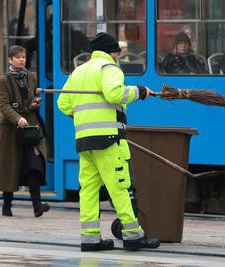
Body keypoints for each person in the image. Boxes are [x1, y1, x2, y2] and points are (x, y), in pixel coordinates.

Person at [57, 32, 160, 252]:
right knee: (120, 186)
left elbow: (63, 104)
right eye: (118, 53)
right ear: (113, 52)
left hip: (84, 140)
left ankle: (90, 238)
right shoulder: (109, 68)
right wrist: (139, 91)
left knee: (89, 189)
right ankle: (133, 235)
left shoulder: (79, 71)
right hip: (109, 138)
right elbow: (114, 94)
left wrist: (86, 118)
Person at [0, 45, 50, 217]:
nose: (22, 60)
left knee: (34, 165)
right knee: (9, 166)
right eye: (18, 57)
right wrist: (17, 118)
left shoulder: (30, 77)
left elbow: (31, 98)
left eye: (24, 57)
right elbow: (4, 105)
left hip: (30, 127)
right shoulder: (2, 81)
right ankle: (7, 205)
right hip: (10, 130)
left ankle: (37, 206)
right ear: (10, 59)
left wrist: (34, 104)